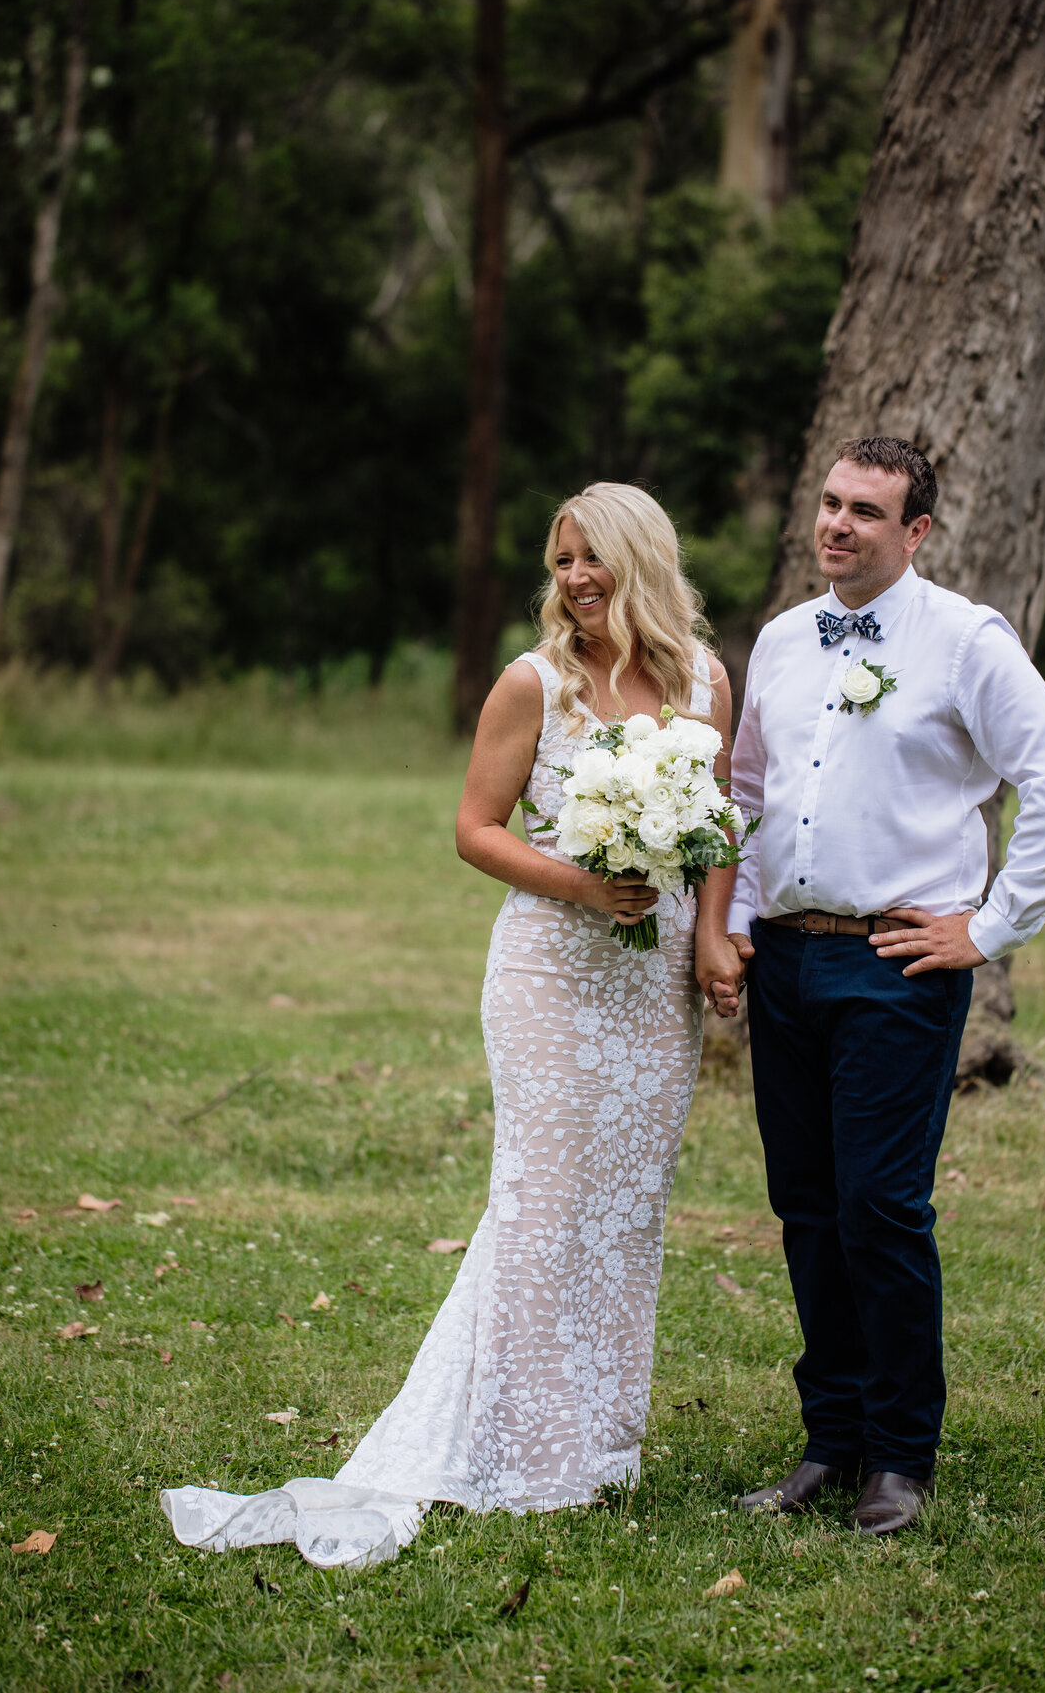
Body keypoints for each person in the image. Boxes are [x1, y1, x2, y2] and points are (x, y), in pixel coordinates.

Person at [162, 481, 736, 1568]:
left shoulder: (705, 677)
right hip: (552, 972)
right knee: (543, 1199)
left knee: (624, 1206)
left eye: (591, 558)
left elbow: (719, 826)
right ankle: (517, 1451)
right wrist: (579, 883)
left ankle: (594, 1448)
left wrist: (710, 936)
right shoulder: (533, 685)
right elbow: (474, 830)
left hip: (653, 978)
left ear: (643, 559)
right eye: (560, 559)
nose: (572, 579)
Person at [707, 436, 1045, 1537]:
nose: (837, 525)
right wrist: (730, 930)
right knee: (809, 1210)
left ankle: (901, 1458)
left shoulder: (966, 641)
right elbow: (745, 791)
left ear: (914, 532)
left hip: (896, 963)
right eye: (829, 504)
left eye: (865, 512)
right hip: (783, 958)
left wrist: (990, 925)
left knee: (881, 1208)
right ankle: (829, 1444)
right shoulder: (784, 640)